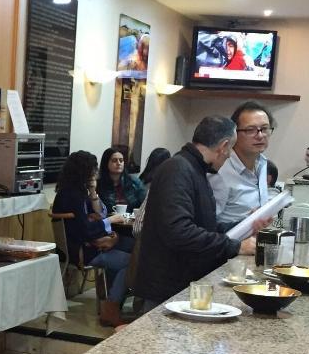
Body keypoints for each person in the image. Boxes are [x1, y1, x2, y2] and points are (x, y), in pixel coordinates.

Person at [134, 116, 265, 311]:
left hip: (182, 281)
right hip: (168, 286)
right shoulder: (178, 169)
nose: (230, 156)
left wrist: (247, 224)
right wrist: (234, 246)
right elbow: (179, 232)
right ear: (224, 146)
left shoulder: (195, 170)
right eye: (231, 149)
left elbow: (205, 225)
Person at [52, 151, 132, 326]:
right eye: (93, 168)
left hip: (82, 245)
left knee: (123, 247)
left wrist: (93, 191)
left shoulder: (73, 191)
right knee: (131, 262)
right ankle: (111, 307)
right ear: (84, 170)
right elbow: (86, 231)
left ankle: (110, 302)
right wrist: (110, 221)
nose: (96, 172)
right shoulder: (73, 196)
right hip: (82, 251)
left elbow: (99, 213)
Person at [210, 101, 273, 230]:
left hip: (255, 239)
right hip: (228, 241)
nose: (260, 135)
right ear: (234, 134)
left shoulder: (262, 163)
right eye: (251, 130)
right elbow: (206, 224)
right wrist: (245, 224)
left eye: (265, 129)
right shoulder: (220, 171)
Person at [97, 147, 146, 214]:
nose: (119, 163)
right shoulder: (99, 184)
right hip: (110, 219)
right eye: (114, 160)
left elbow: (145, 203)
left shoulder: (134, 181)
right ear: (106, 163)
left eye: (121, 160)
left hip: (131, 219)